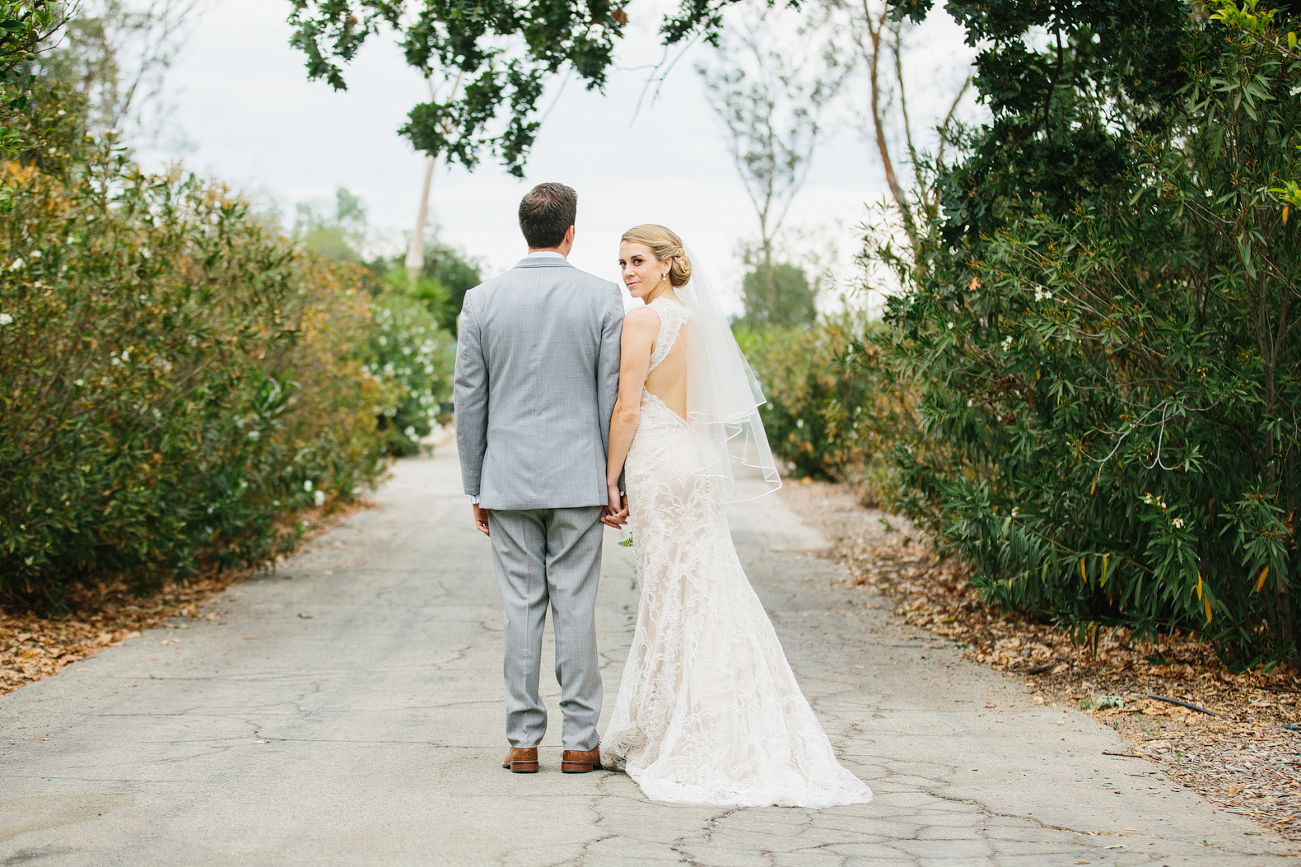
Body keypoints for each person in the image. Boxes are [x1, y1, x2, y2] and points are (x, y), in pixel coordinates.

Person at [599, 224, 873, 808]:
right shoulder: (700, 327)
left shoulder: (643, 322)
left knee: (671, 588)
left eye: (639, 261)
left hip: (659, 465)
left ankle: (675, 724)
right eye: (622, 262)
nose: (627, 272)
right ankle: (714, 709)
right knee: (707, 582)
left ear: (671, 263)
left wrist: (608, 478)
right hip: (695, 460)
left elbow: (627, 409)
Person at [454, 183, 626, 775]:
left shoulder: (482, 300)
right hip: (580, 478)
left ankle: (523, 741)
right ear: (571, 232)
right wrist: (614, 479)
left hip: (507, 480)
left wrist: (475, 484)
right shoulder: (604, 298)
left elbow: (469, 400)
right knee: (576, 608)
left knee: (521, 608)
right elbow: (613, 396)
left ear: (524, 230)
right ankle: (580, 743)